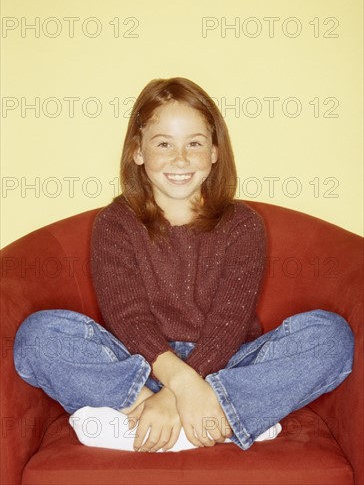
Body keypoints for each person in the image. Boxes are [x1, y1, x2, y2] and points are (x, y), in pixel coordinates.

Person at [13, 77, 354, 454]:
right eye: (164, 144)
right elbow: (128, 317)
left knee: (331, 337)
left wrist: (178, 395)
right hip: (139, 369)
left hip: (226, 364)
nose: (180, 159)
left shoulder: (243, 224)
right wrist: (179, 385)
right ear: (137, 152)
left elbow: (229, 322)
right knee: (39, 336)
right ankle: (216, 420)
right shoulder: (115, 223)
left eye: (194, 143)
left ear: (214, 152)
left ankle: (153, 422)